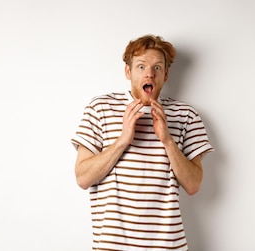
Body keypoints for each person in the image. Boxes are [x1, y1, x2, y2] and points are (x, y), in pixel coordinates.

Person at [71, 34, 214, 250]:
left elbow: (193, 185)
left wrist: (167, 140)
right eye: (141, 66)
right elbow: (83, 178)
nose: (149, 73)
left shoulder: (186, 115)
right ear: (128, 72)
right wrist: (123, 140)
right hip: (113, 246)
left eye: (157, 68)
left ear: (166, 75)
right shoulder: (99, 108)